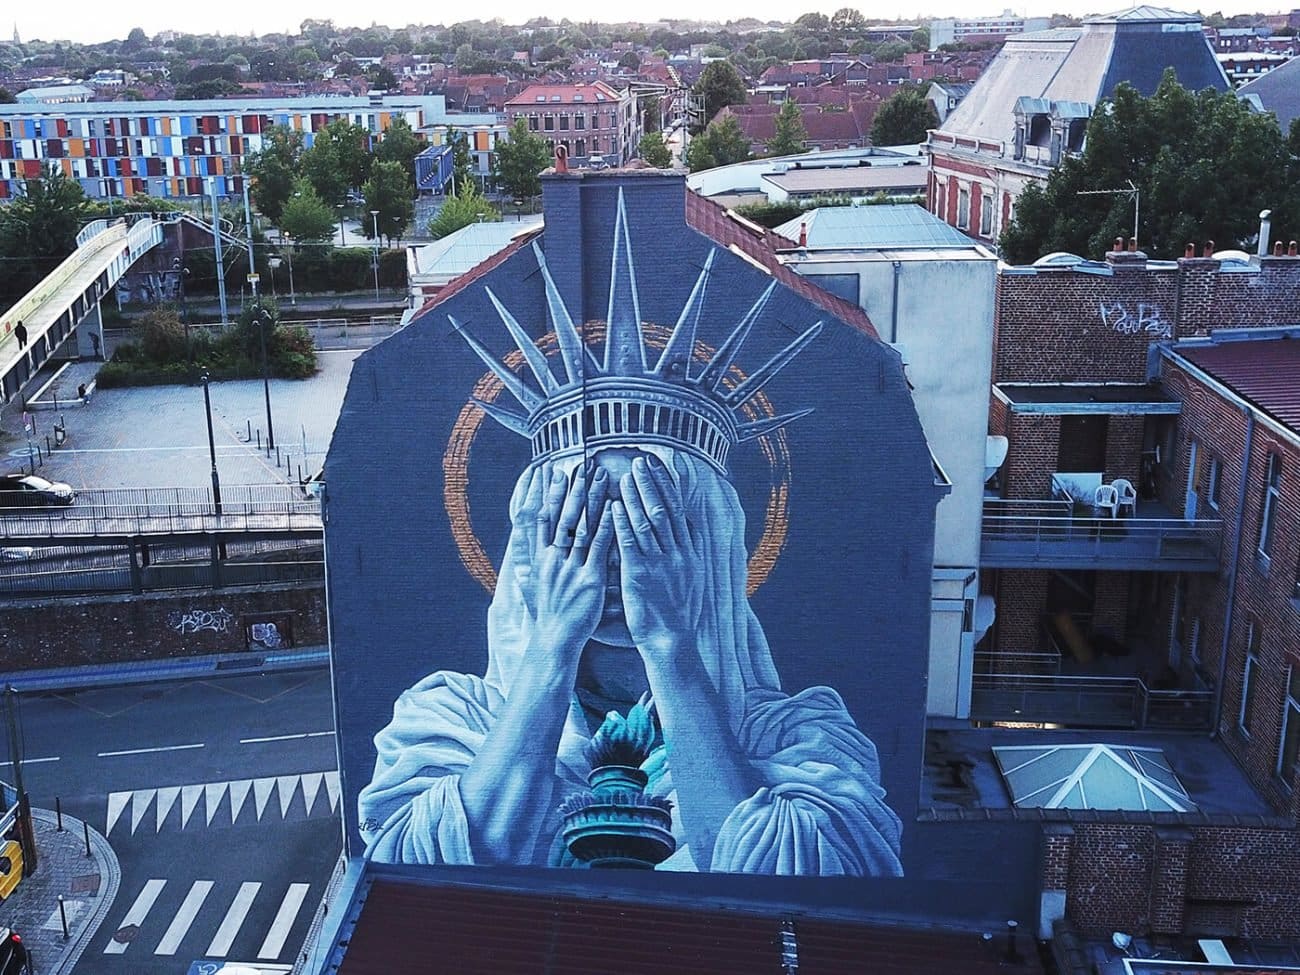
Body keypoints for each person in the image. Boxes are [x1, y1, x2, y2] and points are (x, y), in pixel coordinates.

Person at [358, 447, 904, 876]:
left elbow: (792, 885)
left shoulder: (805, 736)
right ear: (530, 554)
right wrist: (551, 643)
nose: (613, 562)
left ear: (709, 550)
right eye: (581, 529)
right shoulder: (446, 719)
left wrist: (671, 644)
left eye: (651, 530)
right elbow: (420, 879)